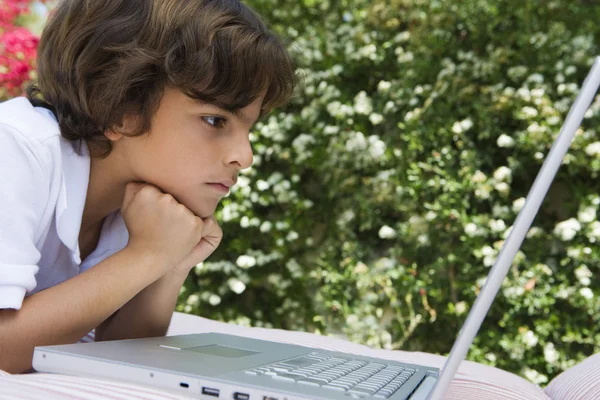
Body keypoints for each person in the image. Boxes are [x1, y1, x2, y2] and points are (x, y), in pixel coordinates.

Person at [0, 0, 297, 374]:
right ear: (120, 108)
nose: (245, 156)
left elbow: (121, 351)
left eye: (248, 129)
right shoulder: (16, 147)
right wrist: (144, 256)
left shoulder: (141, 194)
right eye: (214, 120)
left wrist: (171, 262)